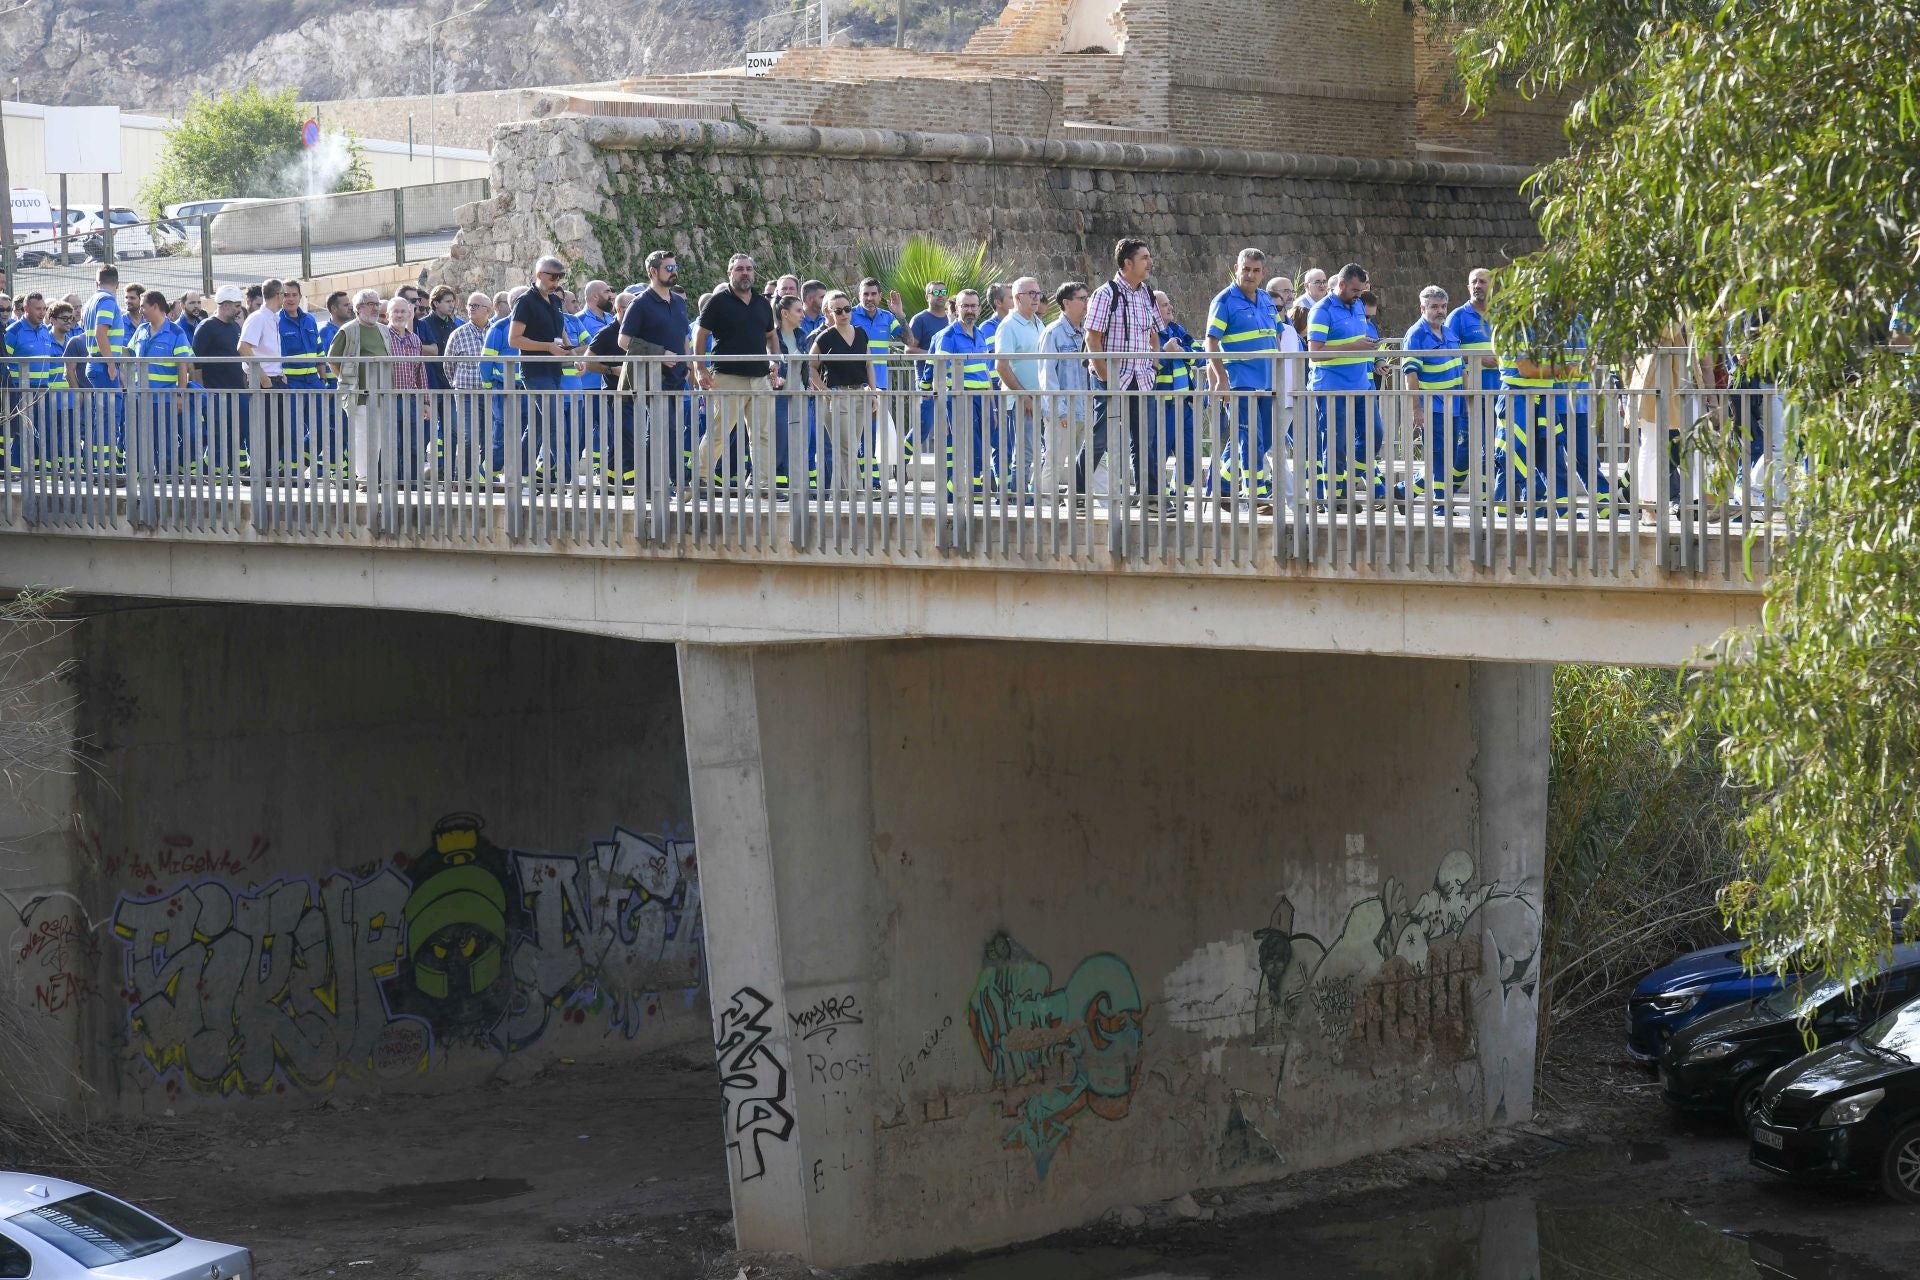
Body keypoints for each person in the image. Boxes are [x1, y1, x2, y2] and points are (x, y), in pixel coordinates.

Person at [690, 253, 781, 490]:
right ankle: (699, 478)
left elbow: (771, 335)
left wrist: (775, 360)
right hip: (728, 376)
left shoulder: (762, 303)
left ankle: (762, 485)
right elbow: (701, 333)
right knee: (719, 431)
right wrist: (699, 367)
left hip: (759, 377)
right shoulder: (718, 301)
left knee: (762, 435)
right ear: (730, 273)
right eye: (739, 269)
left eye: (749, 269)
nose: (745, 273)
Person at [1084, 237, 1163, 502]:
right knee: (1099, 439)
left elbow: (1154, 332)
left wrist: (1154, 364)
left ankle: (1149, 497)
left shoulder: (1147, 293)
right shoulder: (1106, 294)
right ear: (1127, 263)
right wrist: (1107, 376)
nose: (1150, 262)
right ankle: (1078, 493)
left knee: (1145, 440)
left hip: (1141, 378)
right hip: (1113, 378)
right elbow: (1092, 338)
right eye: (1144, 258)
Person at [1205, 249, 1279, 504]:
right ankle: (1256, 494)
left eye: (1255, 270)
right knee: (1250, 439)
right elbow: (1210, 343)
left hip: (1268, 382)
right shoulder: (1224, 300)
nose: (1250, 274)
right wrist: (1222, 381)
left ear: (1263, 273)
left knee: (1265, 438)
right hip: (1240, 382)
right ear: (1236, 268)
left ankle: (1222, 483)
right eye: (1245, 269)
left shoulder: (1268, 300)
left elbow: (1276, 335)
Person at [1306, 263, 1381, 502]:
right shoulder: (1321, 310)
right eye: (1355, 291)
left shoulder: (1357, 304)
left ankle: (1346, 482)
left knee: (1374, 436)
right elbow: (1314, 351)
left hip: (1361, 385)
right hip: (1331, 387)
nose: (1360, 296)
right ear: (1341, 285)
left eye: (1361, 291)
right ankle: (1334, 498)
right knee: (1335, 444)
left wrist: (1369, 346)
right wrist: (1355, 346)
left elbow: (1357, 339)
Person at [620, 250, 692, 487]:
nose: (674, 272)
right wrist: (660, 353)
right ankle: (654, 483)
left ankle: (669, 481)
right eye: (668, 268)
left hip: (677, 376)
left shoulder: (679, 302)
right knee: (663, 427)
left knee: (672, 429)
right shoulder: (640, 303)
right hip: (652, 376)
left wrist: (689, 364)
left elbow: (683, 337)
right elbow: (624, 341)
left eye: (675, 267)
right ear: (653, 272)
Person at [510, 255, 576, 484]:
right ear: (539, 275)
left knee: (538, 427)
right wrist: (547, 347)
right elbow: (514, 340)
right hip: (535, 371)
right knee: (555, 424)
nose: (556, 281)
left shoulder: (556, 301)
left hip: (554, 370)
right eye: (553, 277)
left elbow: (561, 331)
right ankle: (569, 479)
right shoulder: (525, 301)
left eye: (560, 277)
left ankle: (516, 473)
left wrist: (573, 356)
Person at [1401, 285, 1469, 499]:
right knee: (1440, 457)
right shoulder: (1415, 335)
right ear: (1422, 308)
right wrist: (1416, 410)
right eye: (1434, 307)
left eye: (1443, 306)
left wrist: (1467, 398)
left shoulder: (1448, 331)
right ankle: (1441, 504)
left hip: (1454, 404)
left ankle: (1404, 491)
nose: (1440, 311)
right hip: (1433, 406)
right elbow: (1410, 375)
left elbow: (1461, 368)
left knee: (1448, 455)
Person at [929, 287, 996, 495]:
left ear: (979, 308)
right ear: (956, 308)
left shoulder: (981, 334)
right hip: (959, 398)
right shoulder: (948, 335)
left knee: (980, 447)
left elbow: (985, 371)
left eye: (973, 306)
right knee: (971, 448)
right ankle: (971, 494)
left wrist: (992, 404)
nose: (970, 310)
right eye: (965, 306)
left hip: (982, 398)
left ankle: (954, 493)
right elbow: (938, 370)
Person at [807, 290, 874, 490]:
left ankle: (839, 497)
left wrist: (872, 391)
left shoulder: (861, 332)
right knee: (847, 448)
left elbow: (868, 363)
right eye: (838, 311)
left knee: (849, 449)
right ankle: (859, 493)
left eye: (847, 309)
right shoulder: (825, 337)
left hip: (860, 393)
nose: (844, 314)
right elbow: (810, 367)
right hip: (837, 395)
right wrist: (826, 391)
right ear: (829, 313)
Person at [128, 290, 194, 473]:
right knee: (141, 439)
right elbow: (129, 353)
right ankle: (146, 477)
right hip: (141, 398)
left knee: (164, 440)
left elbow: (183, 366)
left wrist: (181, 395)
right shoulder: (141, 330)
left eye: (144, 306)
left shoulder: (176, 332)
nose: (141, 310)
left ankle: (167, 477)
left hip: (164, 399)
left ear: (155, 307)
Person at [1037, 281, 1093, 498]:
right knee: (1055, 460)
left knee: (1092, 460)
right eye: (1081, 298)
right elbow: (1047, 376)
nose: (1086, 303)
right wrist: (1059, 410)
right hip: (1063, 411)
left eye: (1087, 298)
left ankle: (1094, 502)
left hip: (1086, 408)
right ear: (1066, 303)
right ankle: (1047, 505)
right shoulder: (1053, 333)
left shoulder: (1088, 332)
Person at [993, 277, 1047, 494]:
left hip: (1042, 398)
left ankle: (1032, 493)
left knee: (1043, 452)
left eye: (1038, 293)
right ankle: (1020, 502)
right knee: (1024, 455)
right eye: (1030, 293)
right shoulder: (1008, 326)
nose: (1036, 298)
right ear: (1017, 298)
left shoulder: (1038, 322)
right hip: (1022, 401)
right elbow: (1001, 366)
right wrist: (1023, 396)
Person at [191, 285, 249, 471]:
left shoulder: (234, 327)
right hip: (216, 394)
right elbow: (196, 364)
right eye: (236, 305)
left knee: (236, 434)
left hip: (237, 391)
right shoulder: (207, 327)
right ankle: (214, 474)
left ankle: (232, 472)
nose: (239, 309)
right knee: (218, 435)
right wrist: (202, 392)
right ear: (224, 304)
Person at [1152, 289, 1199, 495]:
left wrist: (1182, 352)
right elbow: (1144, 364)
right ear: (1152, 309)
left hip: (1183, 406)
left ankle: (1177, 495)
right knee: (1157, 457)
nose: (1170, 307)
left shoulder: (1177, 330)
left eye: (1169, 303)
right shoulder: (1147, 334)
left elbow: (1202, 356)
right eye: (1164, 305)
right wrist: (1165, 353)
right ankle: (1159, 498)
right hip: (1160, 407)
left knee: (1190, 458)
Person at [277, 281, 326, 467]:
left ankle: (300, 462)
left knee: (323, 428)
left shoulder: (310, 320)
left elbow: (319, 351)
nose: (290, 299)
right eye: (286, 295)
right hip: (291, 383)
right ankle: (292, 470)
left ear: (300, 297)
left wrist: (322, 379)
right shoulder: (276, 321)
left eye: (294, 295)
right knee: (293, 430)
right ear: (280, 297)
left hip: (314, 381)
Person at [385, 295, 432, 481]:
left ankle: (412, 482)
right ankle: (394, 482)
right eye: (395, 311)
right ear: (388, 314)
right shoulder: (384, 336)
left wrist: (426, 401)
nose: (399, 314)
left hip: (411, 399)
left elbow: (421, 372)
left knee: (413, 444)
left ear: (410, 314)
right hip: (390, 398)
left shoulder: (415, 339)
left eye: (403, 311)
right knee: (393, 443)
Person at [905, 279, 950, 451]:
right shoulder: (920, 319)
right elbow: (909, 350)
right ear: (927, 296)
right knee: (924, 426)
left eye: (943, 292)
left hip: (949, 381)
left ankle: (949, 473)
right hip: (926, 381)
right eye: (936, 292)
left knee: (952, 427)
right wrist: (936, 356)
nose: (940, 296)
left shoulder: (951, 319)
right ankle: (902, 458)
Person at [854, 277, 908, 394]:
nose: (869, 298)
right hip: (855, 385)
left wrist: (899, 313)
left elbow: (908, 340)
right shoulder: (849, 315)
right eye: (865, 294)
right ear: (859, 295)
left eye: (873, 294)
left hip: (880, 384)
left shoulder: (888, 317)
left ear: (880, 296)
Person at [417, 285, 461, 392]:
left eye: (453, 301)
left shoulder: (453, 326)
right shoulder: (423, 324)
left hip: (449, 384)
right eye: (448, 302)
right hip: (430, 383)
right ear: (436, 303)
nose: (452, 305)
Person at [797, 280, 828, 346]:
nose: (826, 301)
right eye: (822, 297)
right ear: (809, 299)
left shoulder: (827, 320)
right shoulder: (795, 321)